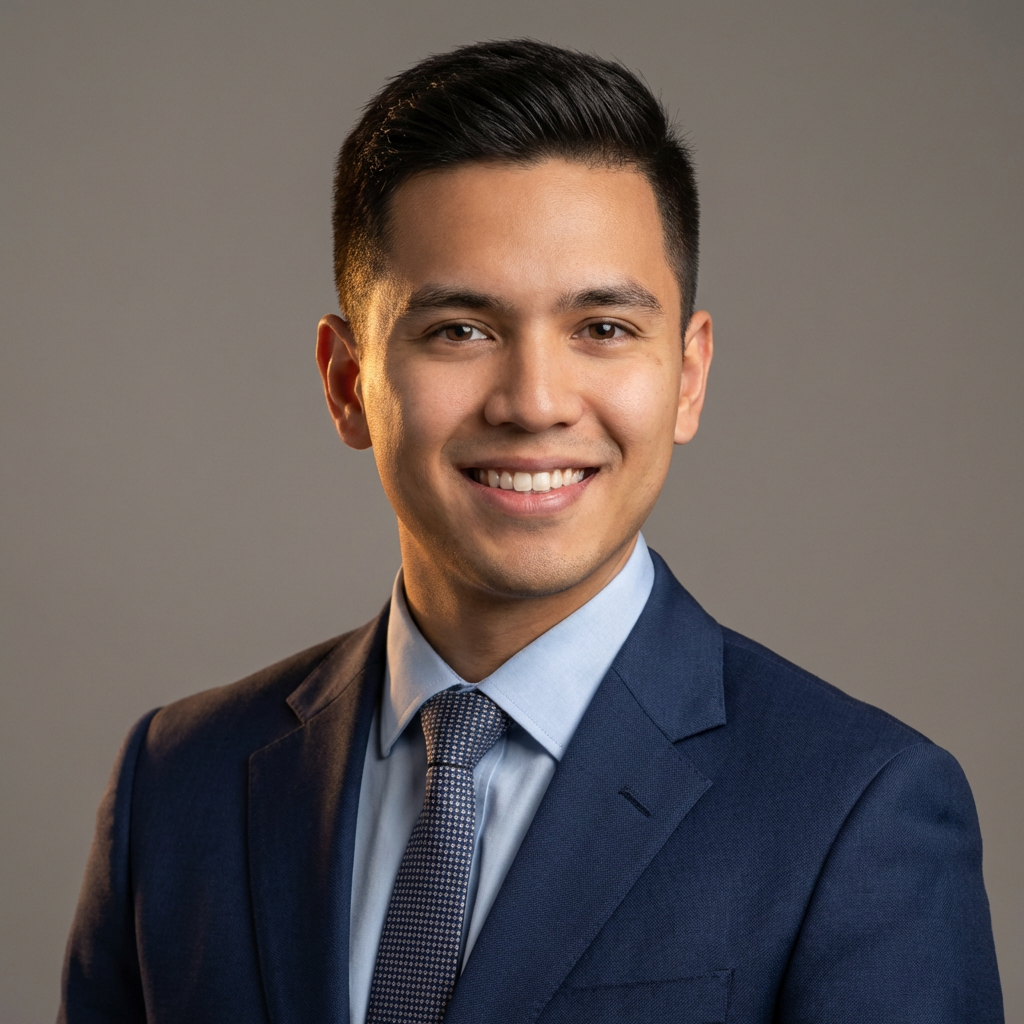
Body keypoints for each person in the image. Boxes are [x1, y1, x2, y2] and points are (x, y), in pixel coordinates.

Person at [59, 39, 1003, 1024]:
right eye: (460, 330)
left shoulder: (857, 813)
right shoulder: (178, 787)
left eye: (602, 329)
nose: (534, 402)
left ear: (687, 376)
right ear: (347, 384)